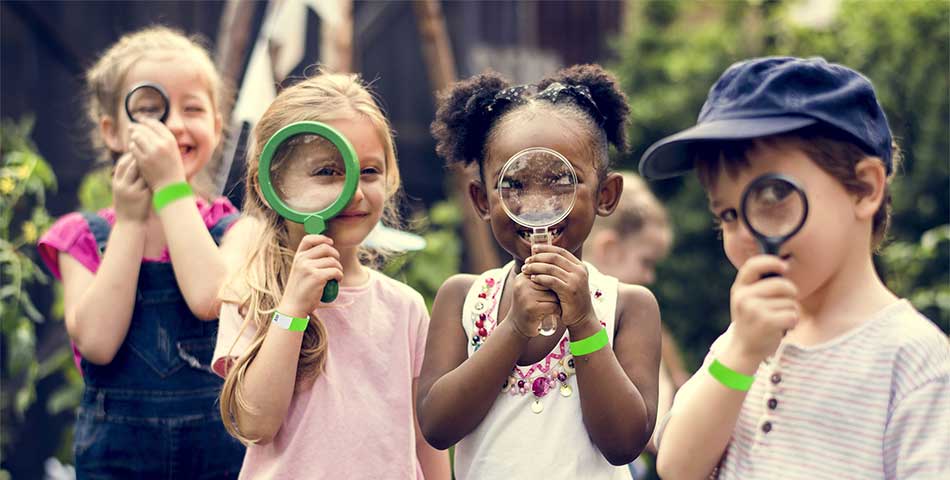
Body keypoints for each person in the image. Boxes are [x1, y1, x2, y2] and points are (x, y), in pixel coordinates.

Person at [639, 56, 950, 479]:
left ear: (864, 188)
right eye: (728, 214)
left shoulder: (913, 360)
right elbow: (677, 466)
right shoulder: (746, 337)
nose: (747, 231)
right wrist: (743, 352)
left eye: (771, 197)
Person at [418, 64, 661, 479]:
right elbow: (437, 427)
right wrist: (514, 327)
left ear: (606, 195)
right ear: (480, 200)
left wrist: (585, 322)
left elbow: (624, 443)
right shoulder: (462, 298)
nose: (537, 204)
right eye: (514, 185)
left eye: (559, 182)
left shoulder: (629, 306)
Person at [213, 71, 450, 479]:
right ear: (271, 184)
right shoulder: (251, 294)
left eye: (370, 172)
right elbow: (254, 424)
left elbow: (425, 437)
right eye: (327, 172)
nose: (354, 192)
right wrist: (293, 309)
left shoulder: (404, 308)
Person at [37, 26, 246, 478]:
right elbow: (96, 343)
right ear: (112, 131)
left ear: (216, 125)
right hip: (118, 463)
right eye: (152, 109)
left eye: (192, 108)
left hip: (219, 459)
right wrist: (130, 222)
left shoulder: (234, 230)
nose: (173, 125)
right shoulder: (83, 236)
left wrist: (171, 189)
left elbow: (210, 297)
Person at [584, 171, 688, 478]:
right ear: (609, 249)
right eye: (646, 262)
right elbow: (654, 428)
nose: (649, 277)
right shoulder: (613, 326)